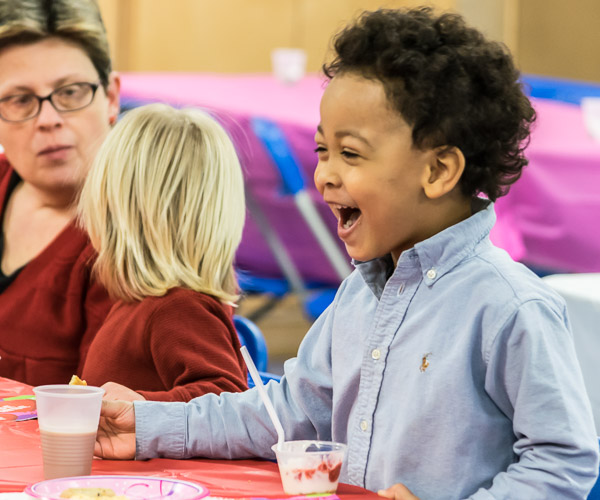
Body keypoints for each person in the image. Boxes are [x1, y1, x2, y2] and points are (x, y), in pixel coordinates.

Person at [93, 7, 599, 499]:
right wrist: (148, 424)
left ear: (438, 171)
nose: (324, 175)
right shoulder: (358, 295)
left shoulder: (511, 307)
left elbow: (563, 461)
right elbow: (283, 415)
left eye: (350, 153)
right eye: (322, 151)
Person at [77, 103, 248, 402]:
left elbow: (227, 400)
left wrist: (141, 407)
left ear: (114, 213)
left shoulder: (177, 309)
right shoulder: (142, 301)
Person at [0, 0, 117, 385]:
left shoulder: (140, 236)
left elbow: (107, 410)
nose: (48, 120)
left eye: (70, 92)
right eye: (20, 100)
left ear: (111, 98)